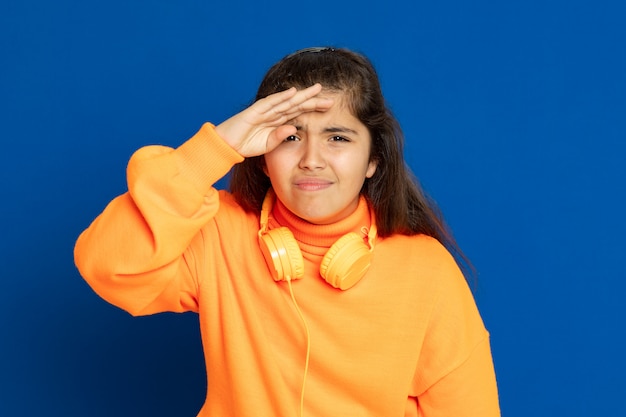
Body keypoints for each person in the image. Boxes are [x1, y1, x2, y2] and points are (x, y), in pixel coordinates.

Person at [74, 47, 500, 417]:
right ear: (261, 155)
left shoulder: (426, 270)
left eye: (337, 137)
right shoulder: (215, 234)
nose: (311, 159)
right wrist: (216, 148)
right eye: (291, 137)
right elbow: (106, 265)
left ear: (373, 161)